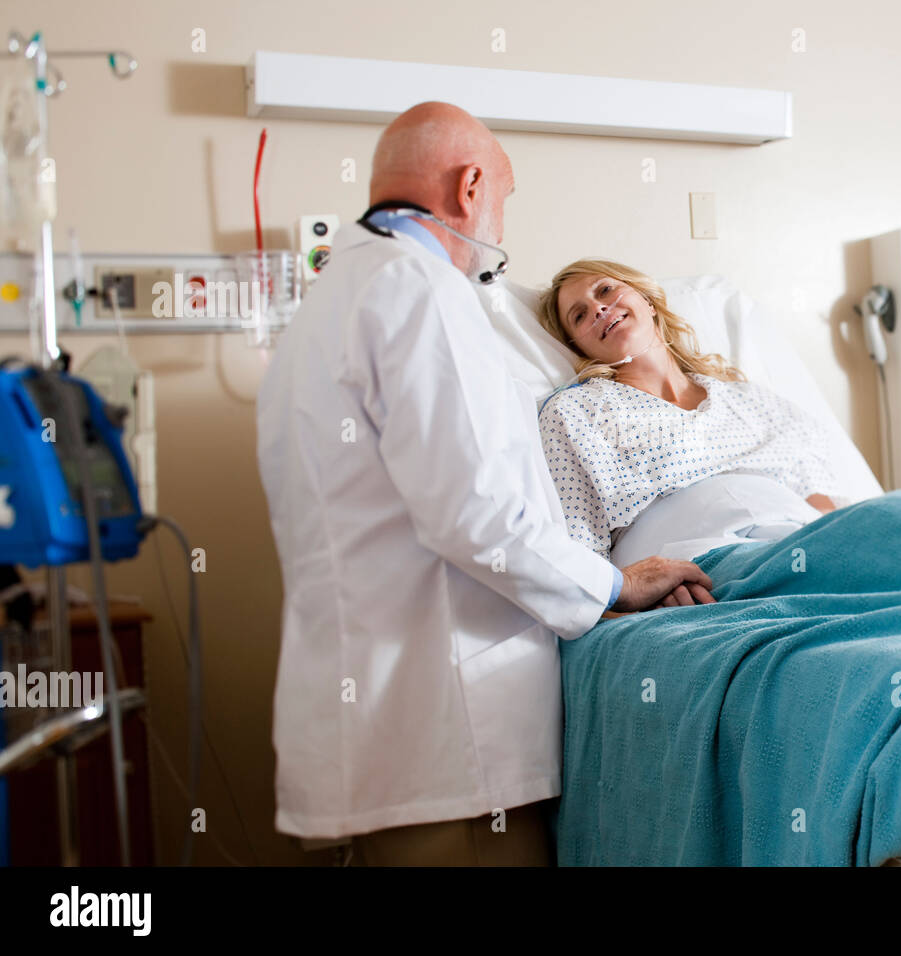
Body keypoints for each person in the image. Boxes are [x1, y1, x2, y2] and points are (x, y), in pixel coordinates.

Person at [255, 104, 714, 867]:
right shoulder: (424, 291)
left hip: (369, 738)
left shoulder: (329, 302)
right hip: (448, 751)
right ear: (470, 189)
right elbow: (476, 512)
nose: (500, 232)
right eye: (503, 200)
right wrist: (607, 585)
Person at [536, 258, 847, 577]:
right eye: (580, 315)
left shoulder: (747, 398)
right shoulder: (576, 411)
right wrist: (627, 604)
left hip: (798, 548)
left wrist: (838, 548)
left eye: (605, 290)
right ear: (580, 347)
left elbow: (817, 497)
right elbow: (581, 548)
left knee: (894, 520)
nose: (598, 309)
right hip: (697, 572)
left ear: (647, 301)